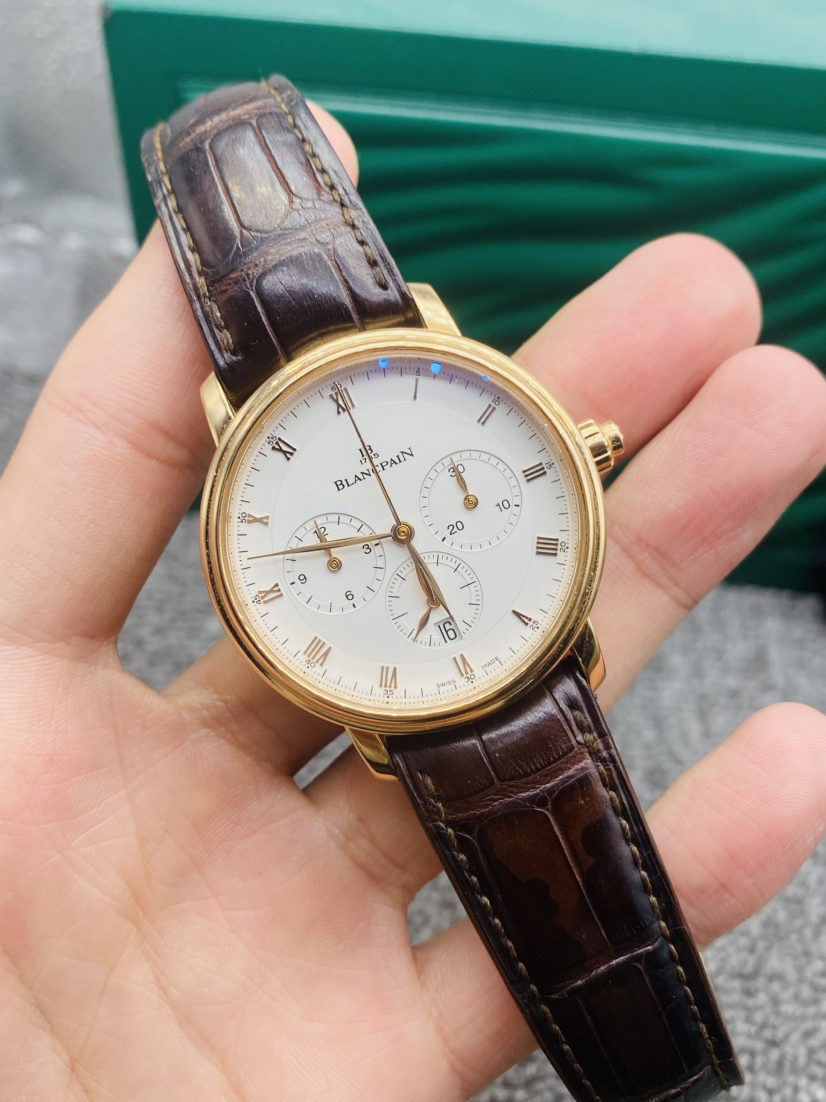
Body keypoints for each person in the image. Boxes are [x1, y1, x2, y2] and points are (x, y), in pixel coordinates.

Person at [0, 103, 824, 1100]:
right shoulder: (269, 533)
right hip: (429, 691)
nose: (399, 531)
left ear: (581, 450)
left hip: (509, 660)